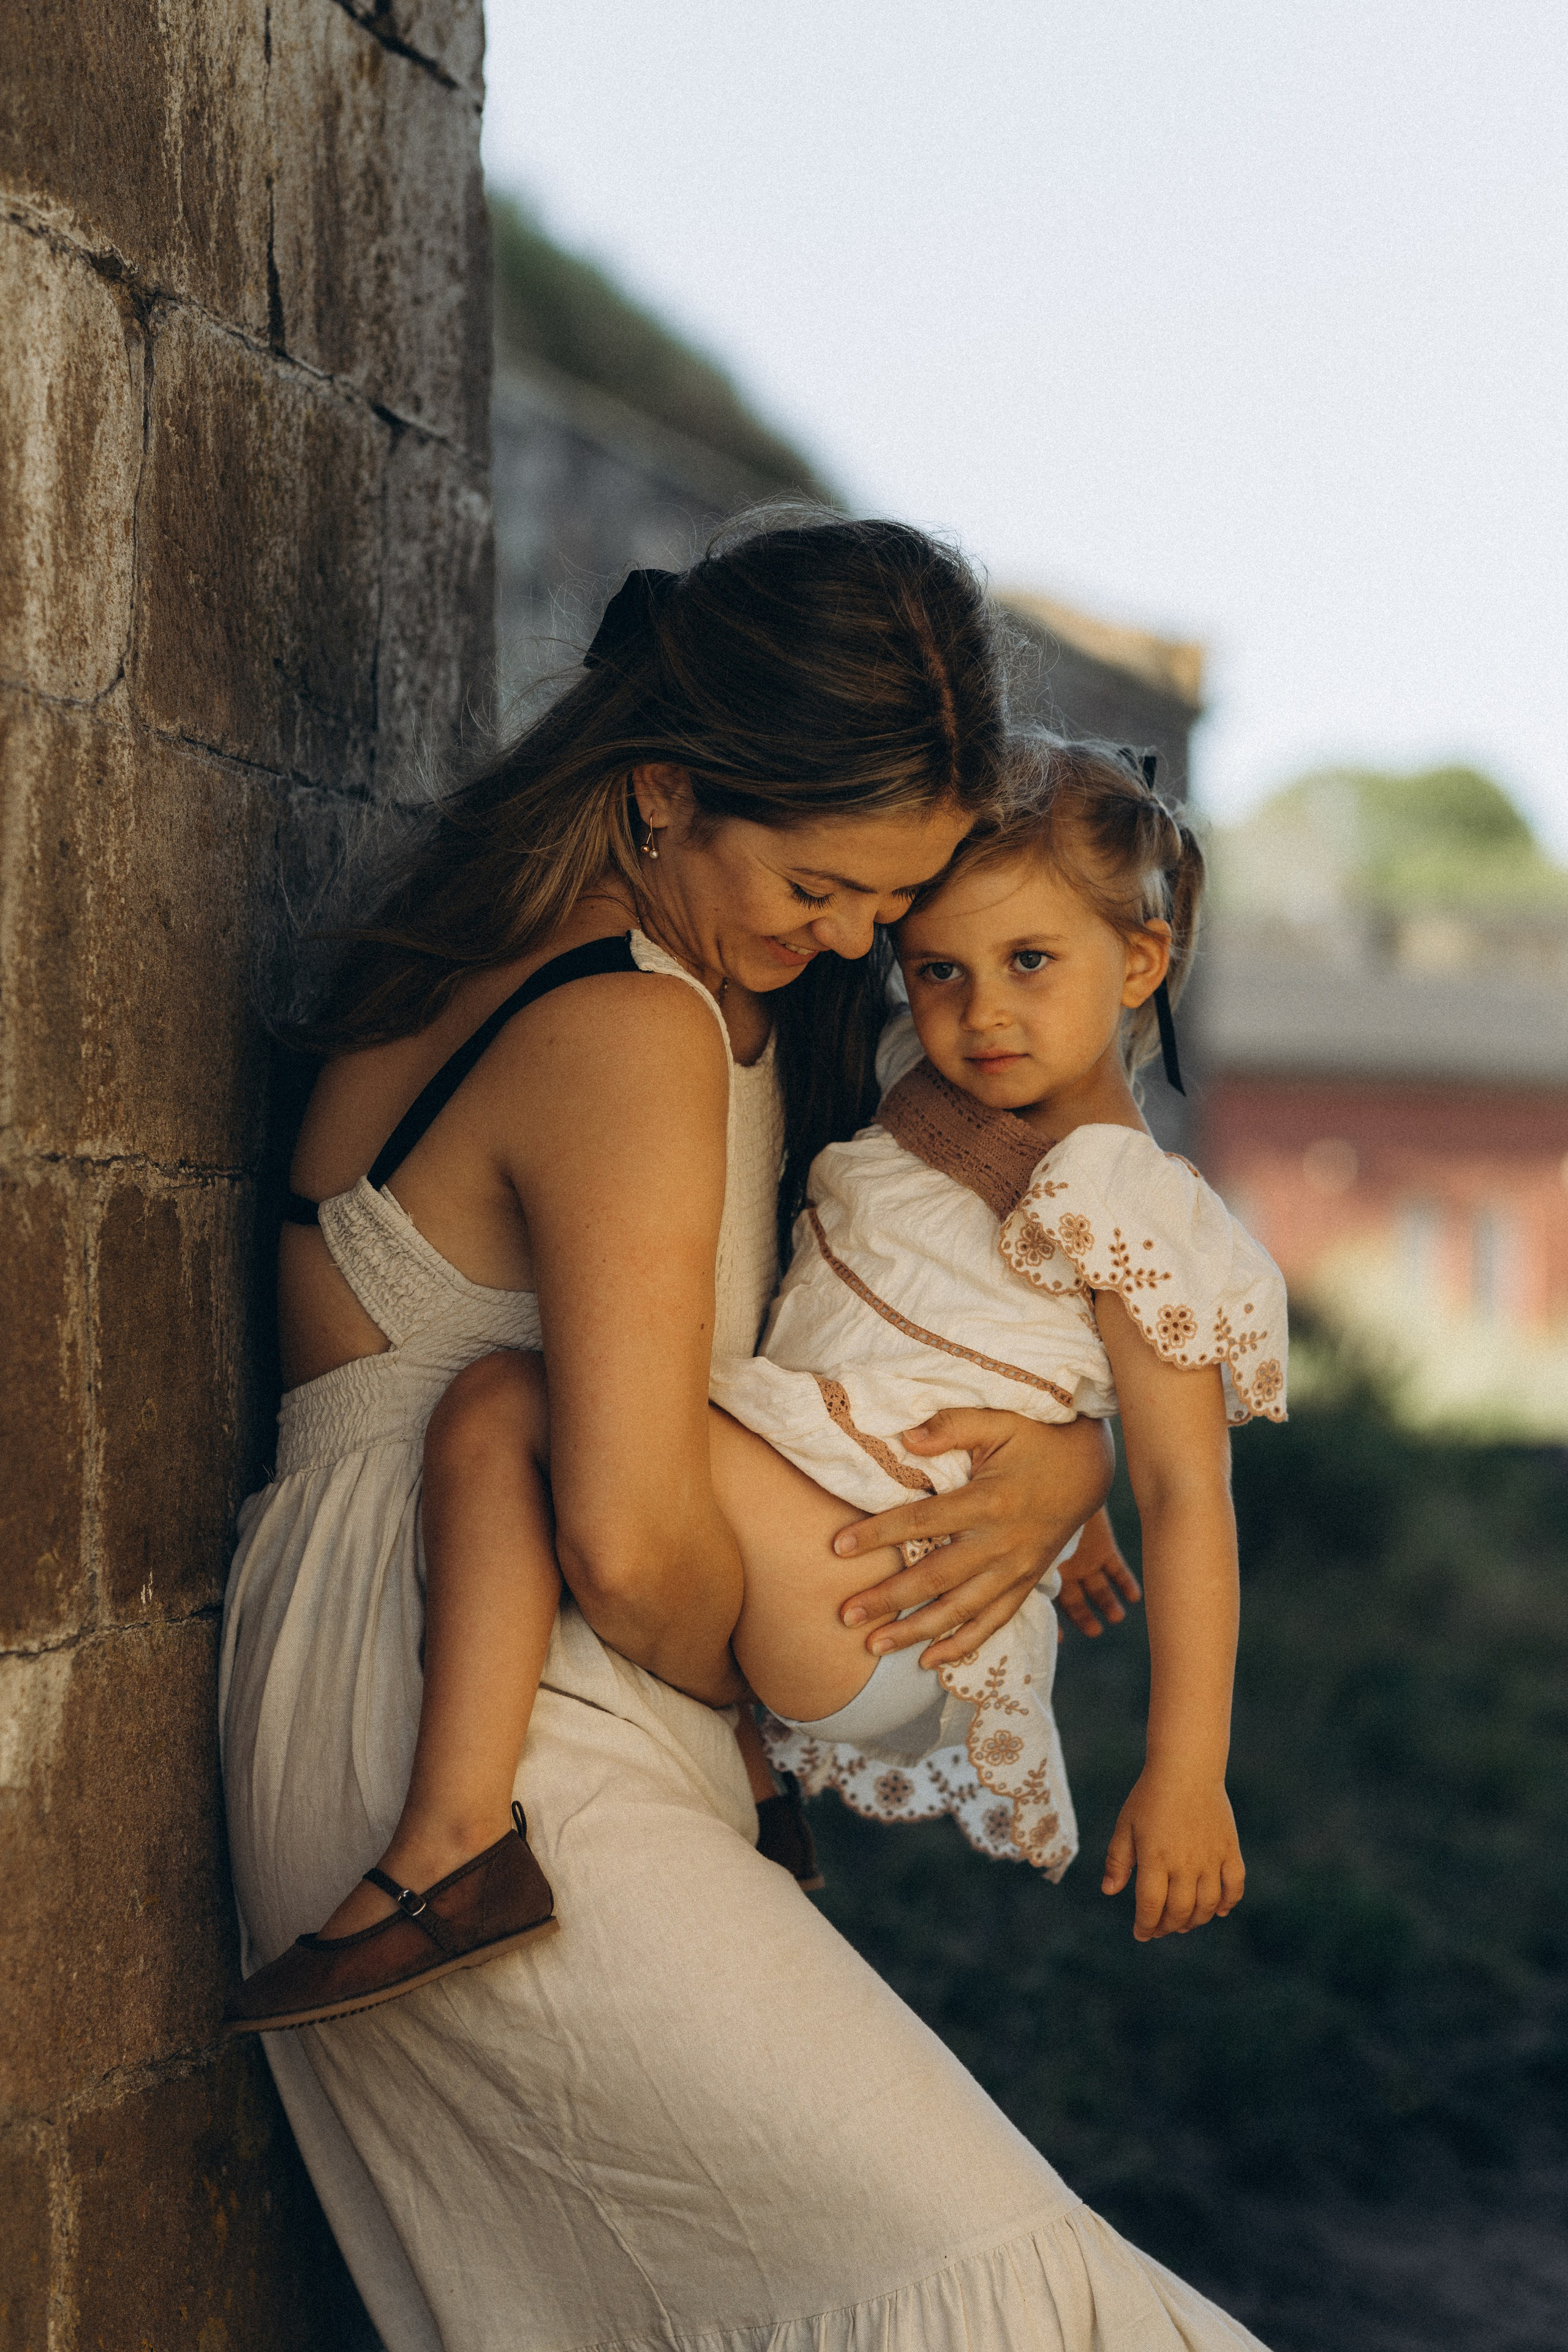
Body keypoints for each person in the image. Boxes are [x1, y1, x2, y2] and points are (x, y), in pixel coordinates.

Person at [220, 521, 1271, 2349]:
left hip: (485, 1676)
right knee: (1002, 2287)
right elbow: (634, 1545)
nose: (859, 942)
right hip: (479, 1716)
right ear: (663, 790)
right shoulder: (628, 1018)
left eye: (894, 904)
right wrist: (819, 1651)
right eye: (829, 887)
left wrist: (1068, 1457)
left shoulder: (686, 977)